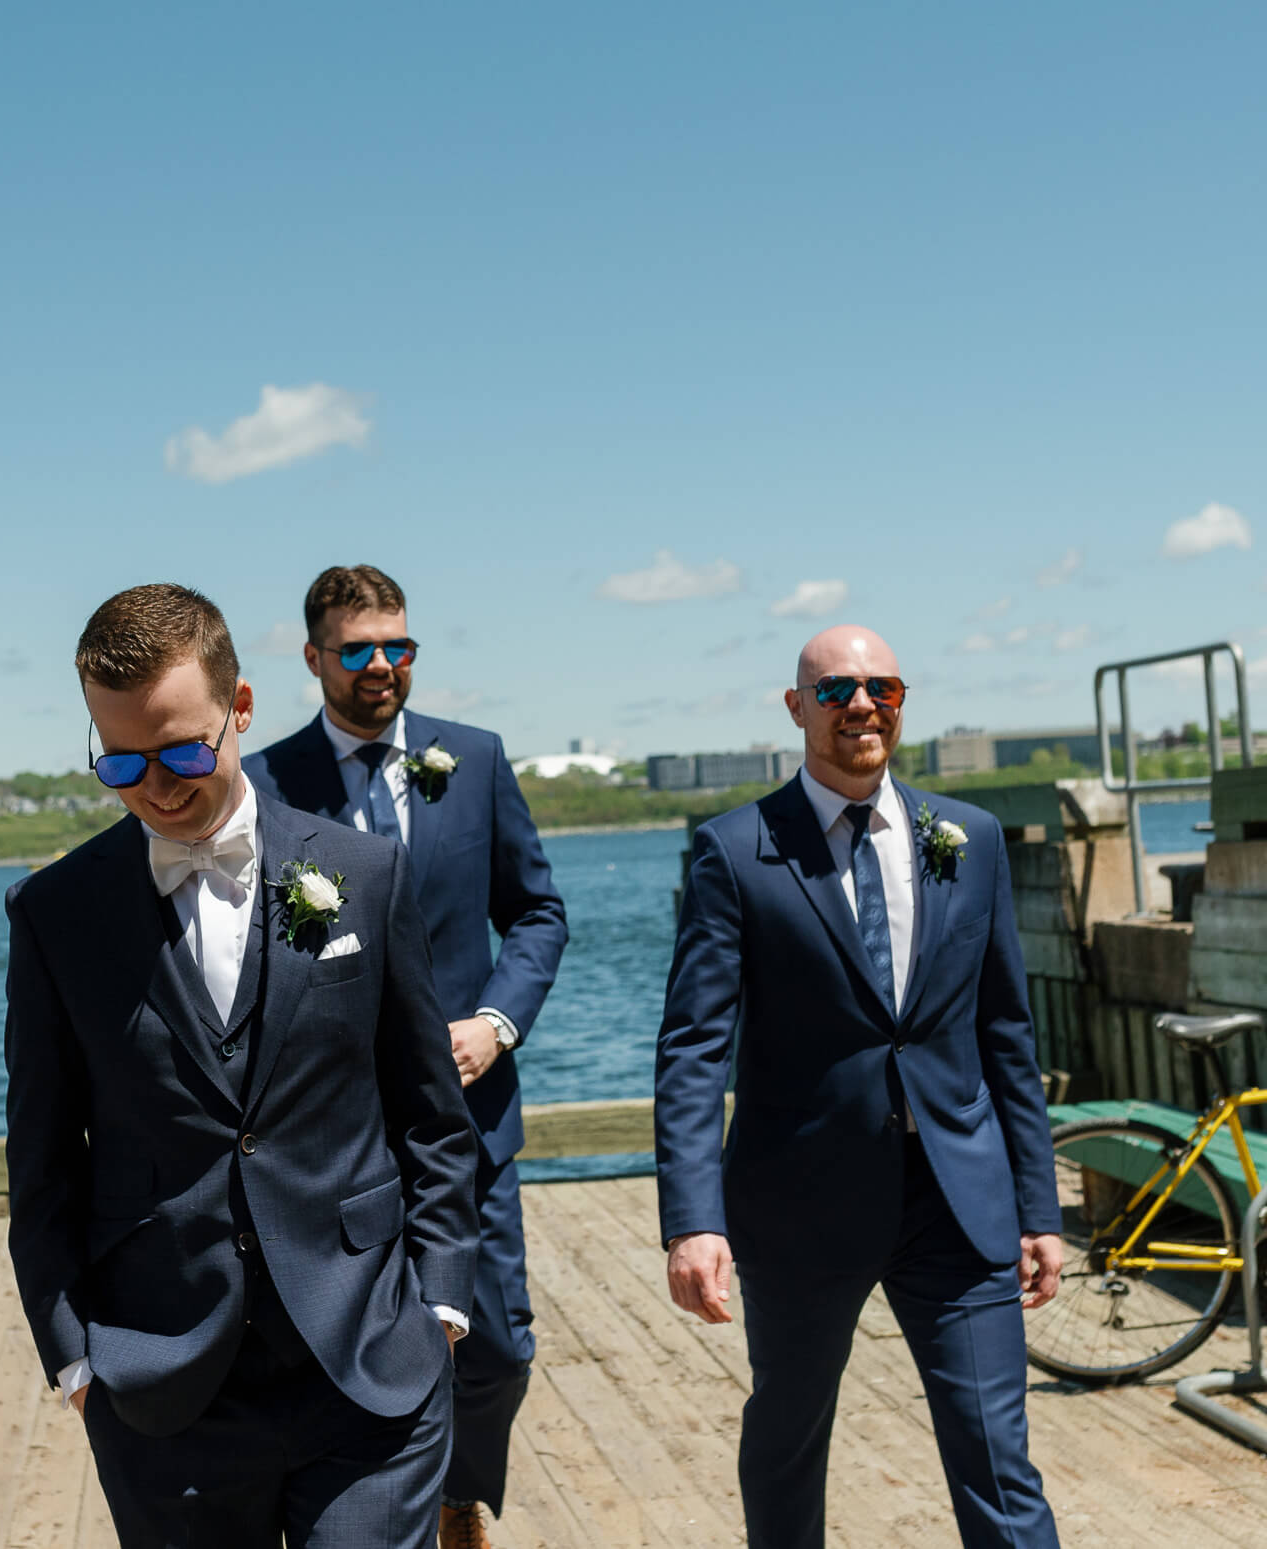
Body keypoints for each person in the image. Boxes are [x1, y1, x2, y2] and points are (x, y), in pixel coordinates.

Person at [4, 583, 481, 1548]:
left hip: (370, 1365)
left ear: (243, 709)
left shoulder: (365, 875)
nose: (159, 785)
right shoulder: (54, 914)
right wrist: (75, 1361)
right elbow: (42, 1160)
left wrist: (439, 1306)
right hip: (162, 1386)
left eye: (184, 750)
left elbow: (430, 1114)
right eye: (122, 762)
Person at [654, 624, 1064, 1549]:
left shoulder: (972, 840)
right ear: (797, 709)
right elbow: (691, 1047)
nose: (863, 705)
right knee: (788, 1444)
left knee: (999, 1458)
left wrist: (1039, 1206)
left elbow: (1005, 1034)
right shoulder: (734, 851)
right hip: (801, 1206)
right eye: (837, 690)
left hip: (957, 1204)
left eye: (883, 686)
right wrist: (692, 1218)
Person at [245, 564, 567, 1549]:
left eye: (399, 646)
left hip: (470, 1115)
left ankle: (454, 1492)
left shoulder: (474, 757)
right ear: (314, 659)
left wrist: (497, 1022)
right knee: (344, 1337)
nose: (383, 664)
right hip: (332, 1130)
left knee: (497, 1344)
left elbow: (538, 911)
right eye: (359, 649)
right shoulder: (261, 783)